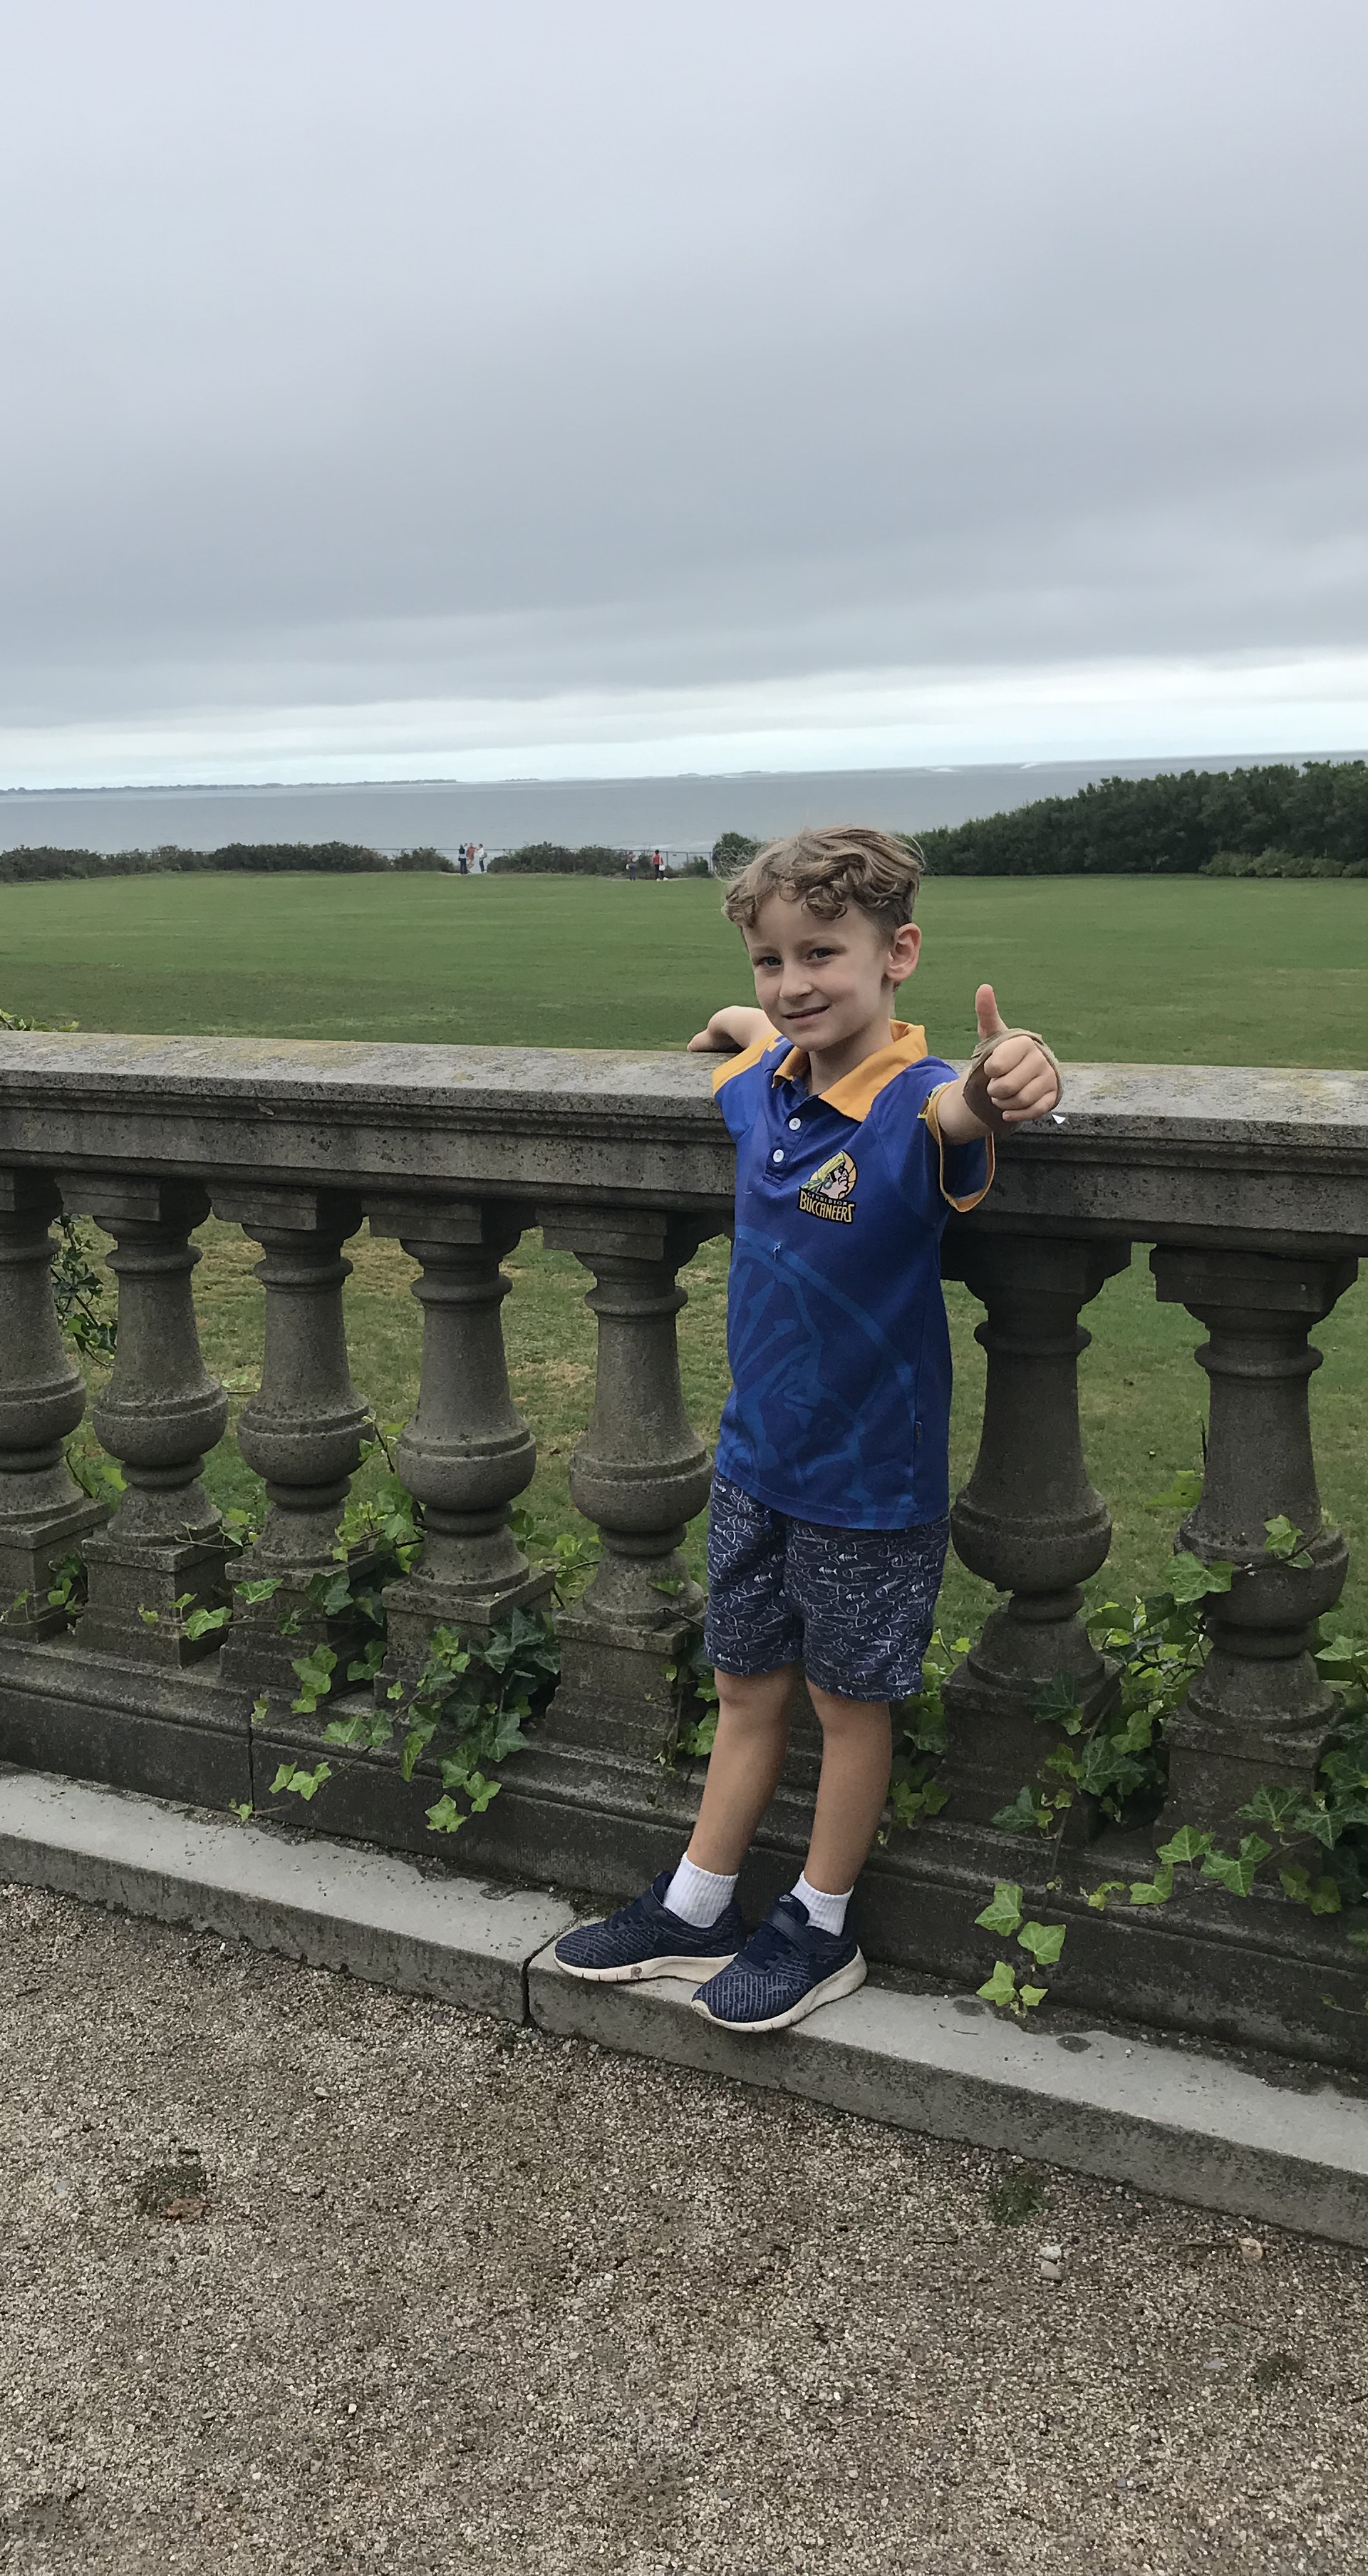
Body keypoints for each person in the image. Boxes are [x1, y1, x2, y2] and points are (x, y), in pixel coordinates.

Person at [551, 824, 1063, 2032]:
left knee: (848, 1707)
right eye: (773, 960)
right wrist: (740, 1017)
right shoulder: (765, 1085)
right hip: (755, 1462)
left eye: (823, 954)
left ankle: (821, 1926)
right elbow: (752, 1039)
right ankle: (697, 1904)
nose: (795, 984)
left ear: (900, 954)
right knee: (744, 1688)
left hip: (869, 1482)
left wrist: (1017, 1068)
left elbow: (972, 1106)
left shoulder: (919, 1102)